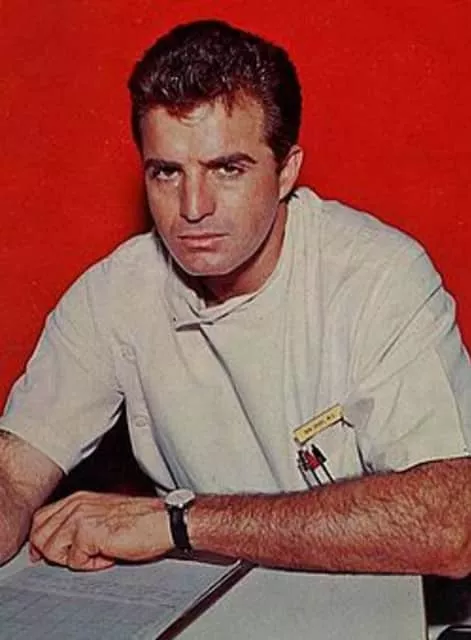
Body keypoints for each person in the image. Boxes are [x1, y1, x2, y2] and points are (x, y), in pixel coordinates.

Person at [0, 19, 470, 576]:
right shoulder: (114, 292)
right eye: (166, 173)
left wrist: (180, 523)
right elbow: (15, 473)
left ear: (286, 171)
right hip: (209, 602)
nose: (193, 207)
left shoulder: (378, 278)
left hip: (373, 606)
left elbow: (451, 521)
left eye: (226, 169)